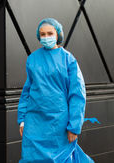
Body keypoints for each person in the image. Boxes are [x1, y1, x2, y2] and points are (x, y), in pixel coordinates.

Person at [17, 18, 94, 163]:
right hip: (34, 121)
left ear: (58, 34)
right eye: (42, 34)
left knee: (60, 158)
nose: (46, 37)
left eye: (50, 33)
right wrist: (22, 120)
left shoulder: (68, 59)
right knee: (31, 158)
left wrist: (74, 126)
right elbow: (27, 91)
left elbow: (77, 94)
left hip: (59, 122)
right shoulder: (33, 59)